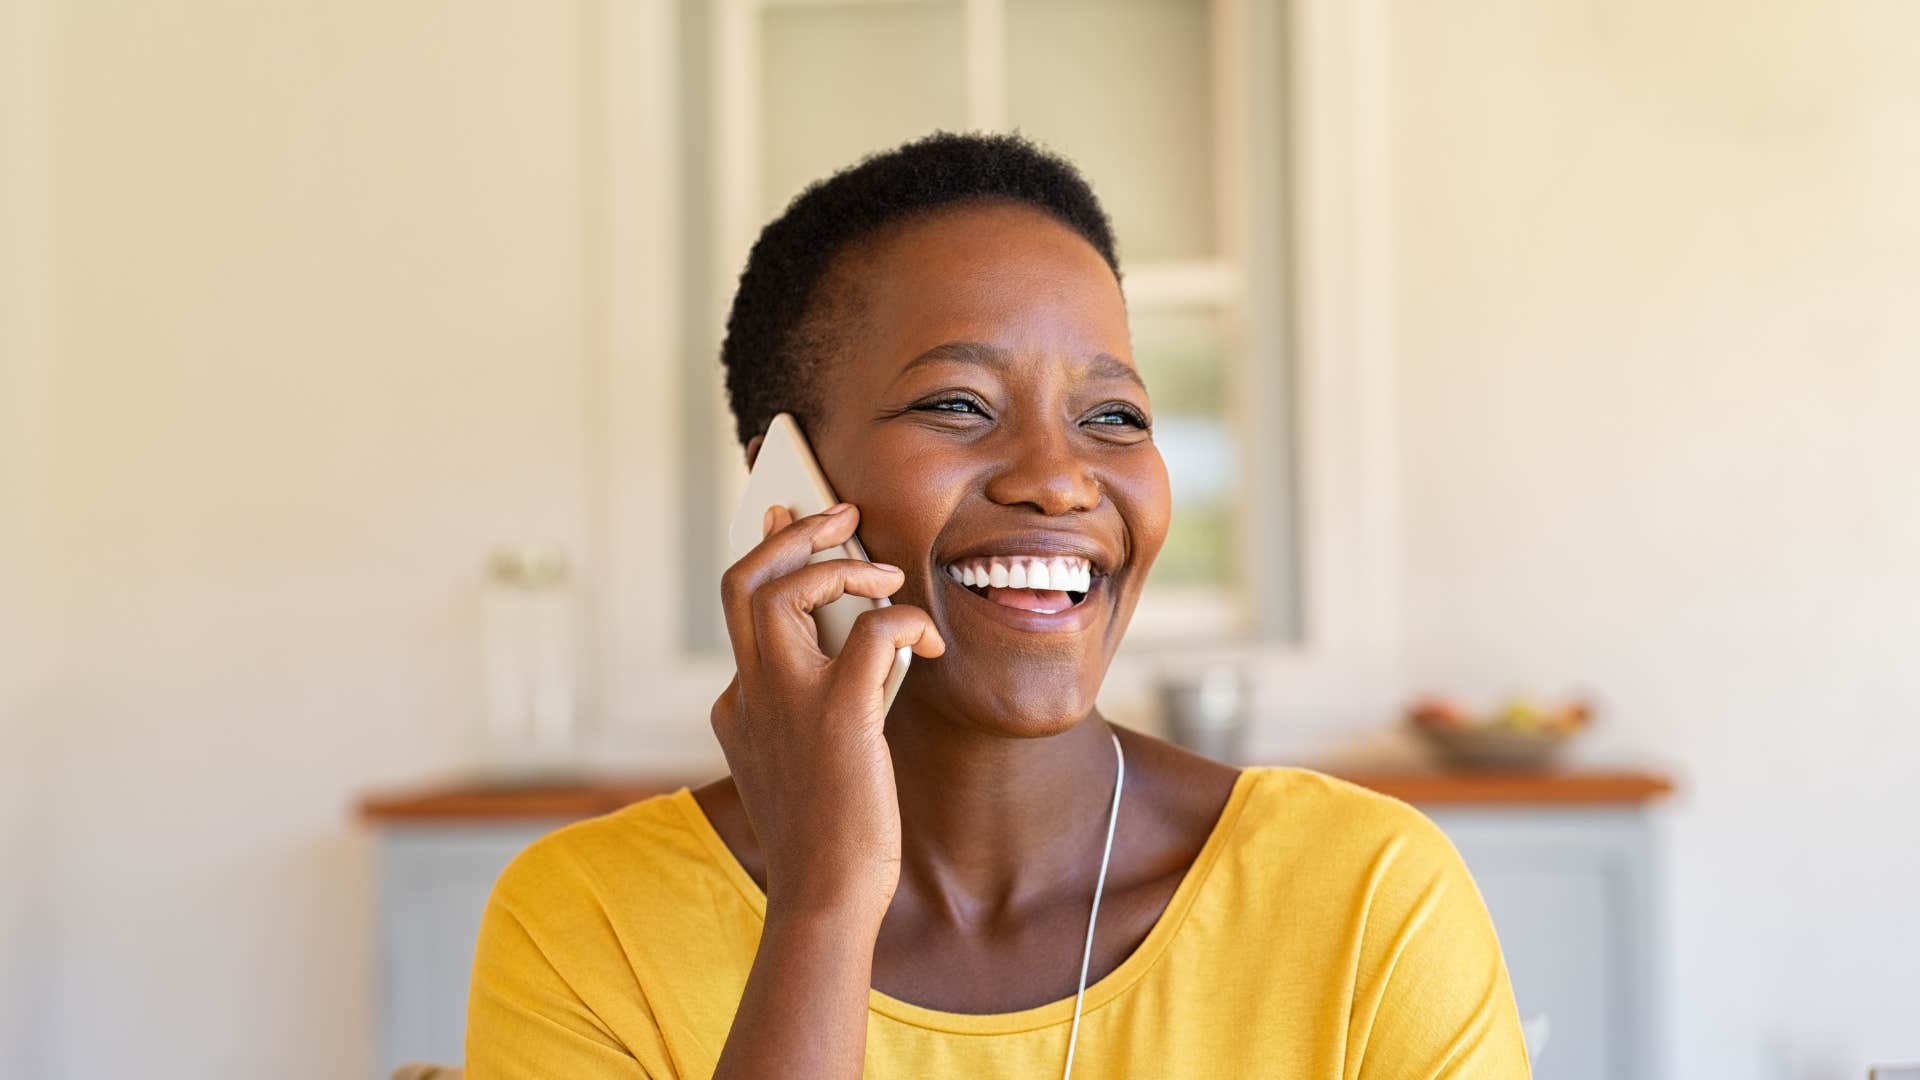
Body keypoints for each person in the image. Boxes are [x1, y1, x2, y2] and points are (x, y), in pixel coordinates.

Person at [465, 132, 1531, 1078]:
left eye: (1113, 416)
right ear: (787, 490)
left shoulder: (1365, 895)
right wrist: (825, 905)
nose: (1059, 480)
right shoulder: (587, 922)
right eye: (959, 405)